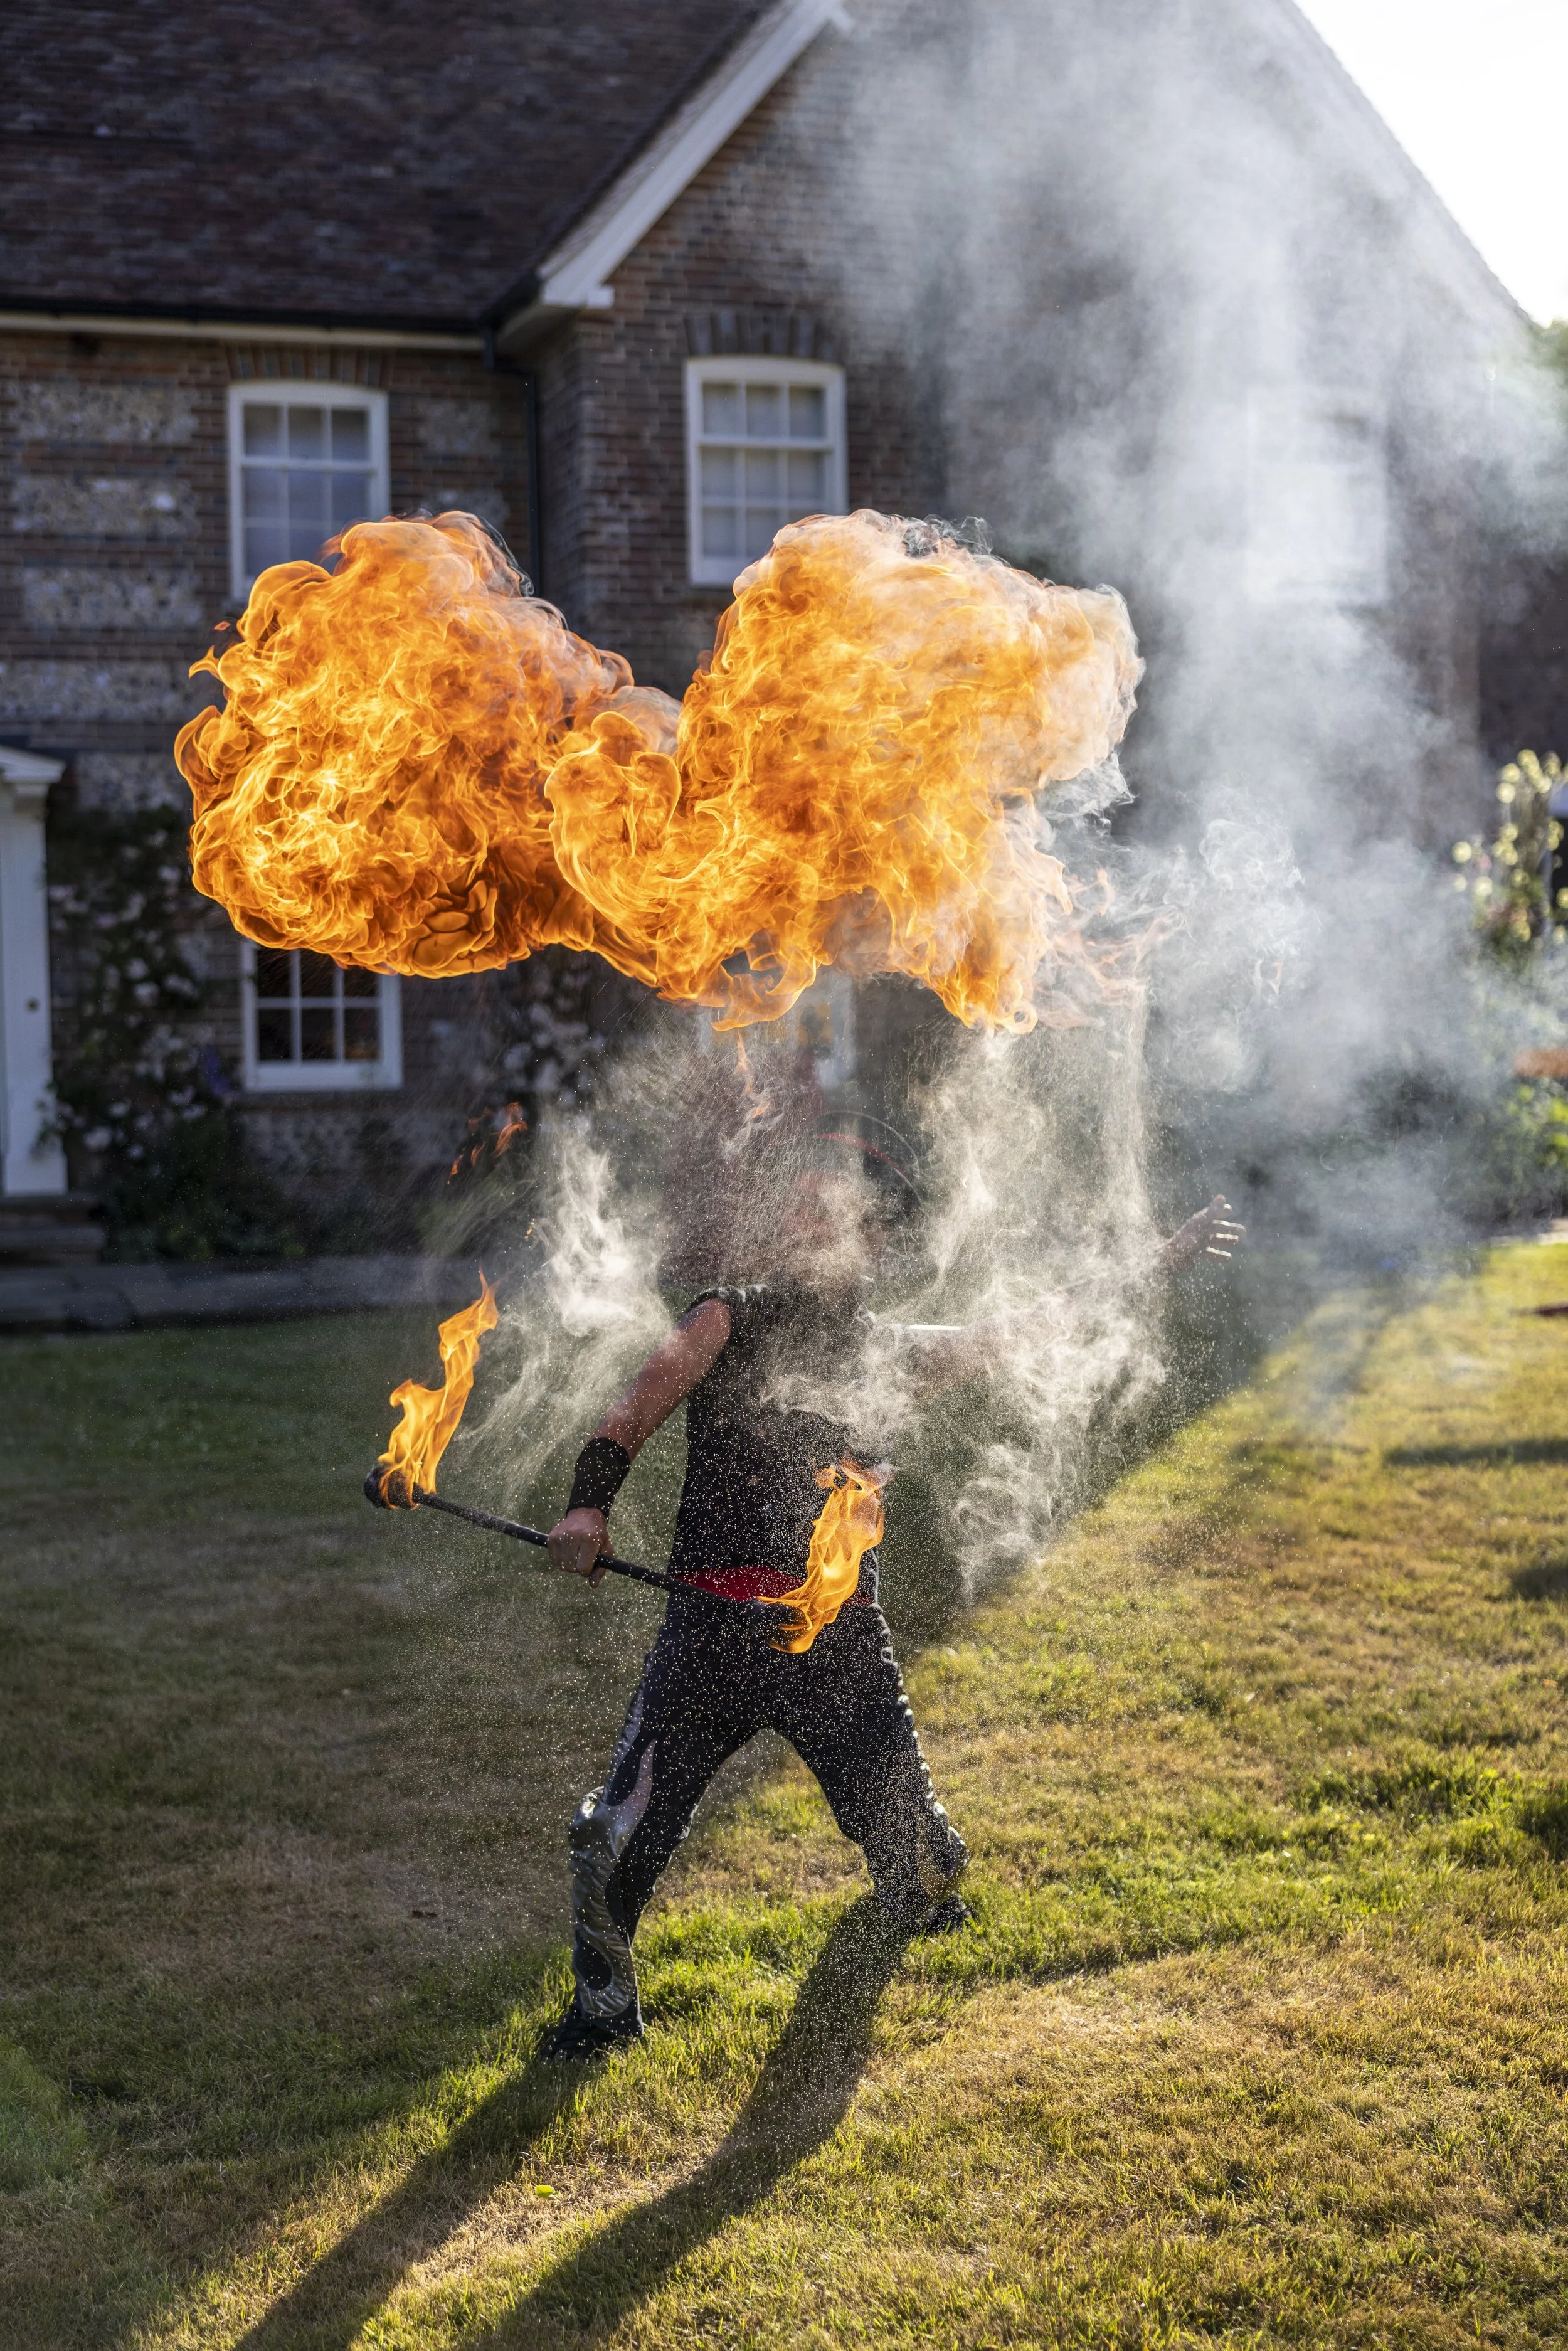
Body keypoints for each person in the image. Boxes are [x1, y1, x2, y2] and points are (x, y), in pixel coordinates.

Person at [542, 1125, 1243, 2063]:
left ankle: (912, 1883)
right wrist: (588, 1509)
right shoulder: (722, 1319)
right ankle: (599, 2015)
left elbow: (1037, 1324)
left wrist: (1153, 1264)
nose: (808, 1226)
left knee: (926, 1870)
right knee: (609, 1841)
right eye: (800, 1207)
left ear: (875, 1239)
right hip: (710, 1637)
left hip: (838, 1652)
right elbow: (631, 1413)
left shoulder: (894, 1355)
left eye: (833, 1212)